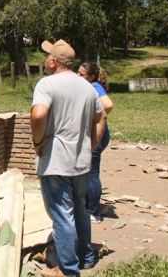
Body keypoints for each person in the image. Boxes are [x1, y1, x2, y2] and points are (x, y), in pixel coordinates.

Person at [31, 39, 103, 277]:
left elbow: (39, 114)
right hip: (81, 162)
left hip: (55, 163)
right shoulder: (87, 87)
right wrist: (91, 144)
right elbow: (100, 117)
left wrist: (38, 141)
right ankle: (87, 257)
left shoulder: (47, 84)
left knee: (62, 217)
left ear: (52, 61)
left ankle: (69, 270)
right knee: (80, 211)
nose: (45, 60)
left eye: (46, 57)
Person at [78, 62, 114, 223]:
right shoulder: (89, 86)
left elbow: (107, 105)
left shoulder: (94, 86)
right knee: (87, 172)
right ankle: (88, 207)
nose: (78, 77)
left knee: (92, 174)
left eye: (82, 74)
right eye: (77, 73)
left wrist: (95, 119)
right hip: (95, 132)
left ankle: (93, 212)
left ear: (91, 76)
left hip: (97, 134)